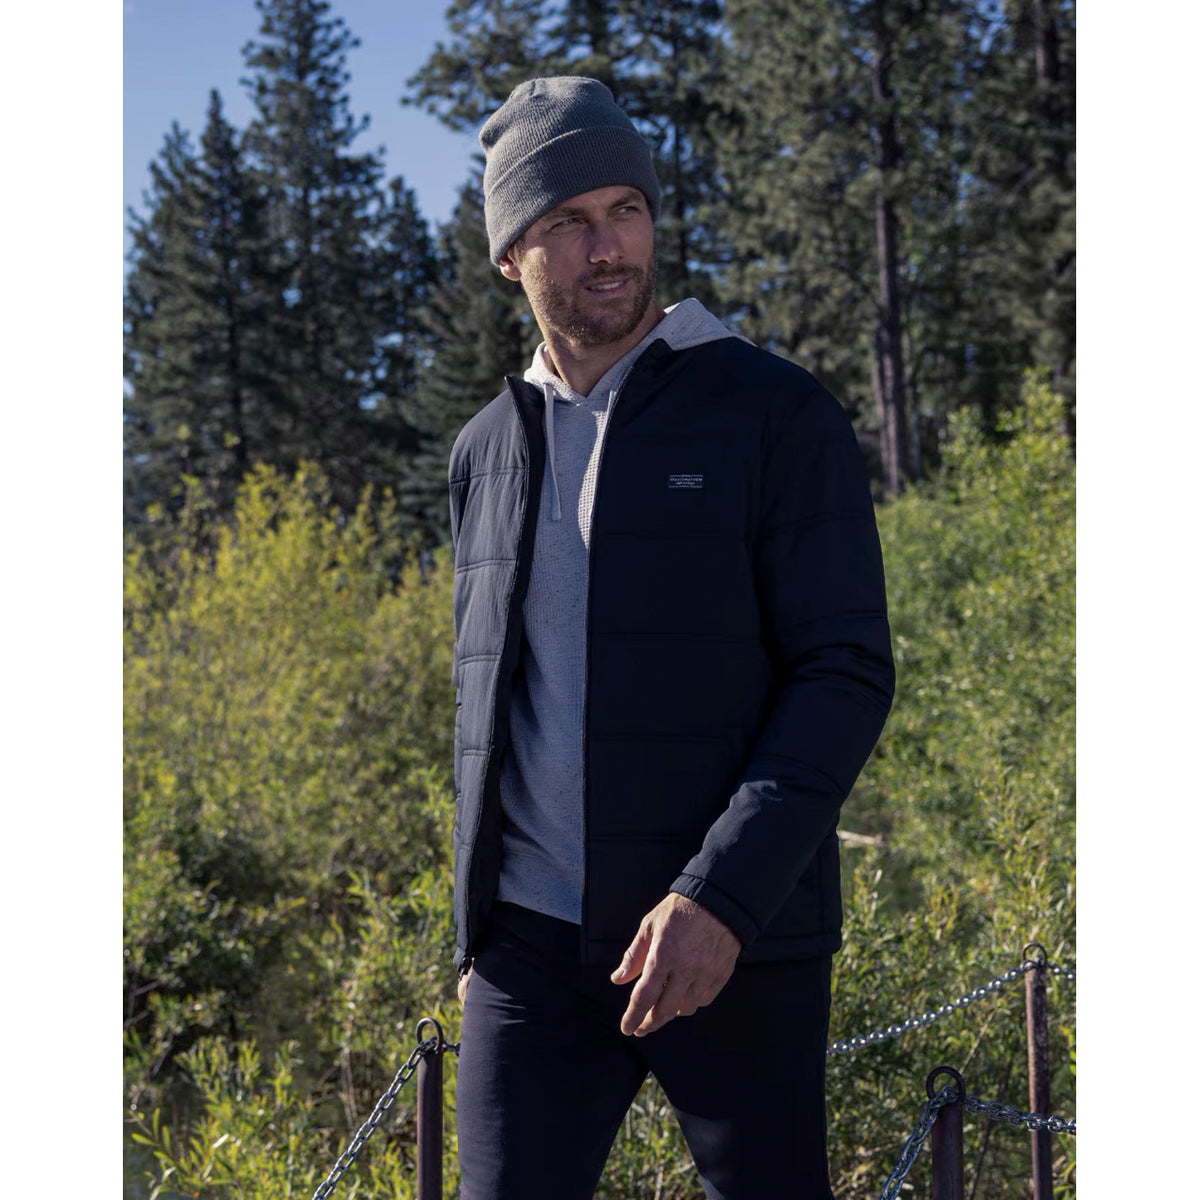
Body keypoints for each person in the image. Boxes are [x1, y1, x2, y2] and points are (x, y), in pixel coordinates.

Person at [447, 75, 895, 1200]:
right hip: (529, 951)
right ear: (510, 254)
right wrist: (475, 934)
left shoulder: (773, 412)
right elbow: (487, 705)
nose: (608, 248)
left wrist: (721, 898)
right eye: (567, 221)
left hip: (733, 938)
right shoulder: (485, 450)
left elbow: (843, 672)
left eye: (627, 210)